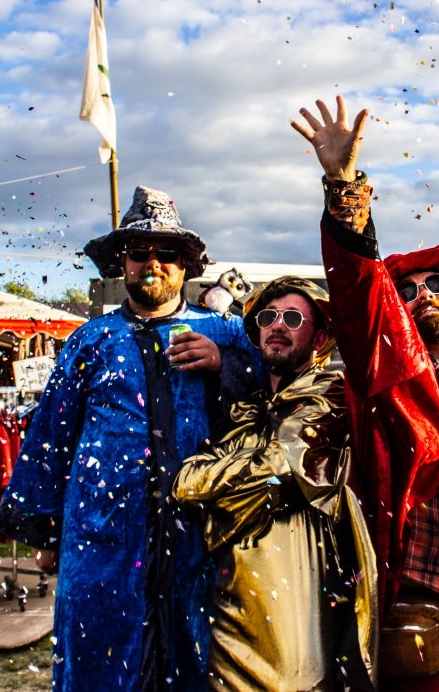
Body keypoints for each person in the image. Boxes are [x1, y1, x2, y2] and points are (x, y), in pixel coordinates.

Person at [0, 186, 264, 691]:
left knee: (196, 658)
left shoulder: (225, 330)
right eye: (140, 253)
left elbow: (270, 398)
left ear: (186, 264)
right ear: (122, 263)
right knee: (100, 657)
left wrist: (227, 364)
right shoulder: (90, 340)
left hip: (200, 537)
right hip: (103, 536)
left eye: (167, 253)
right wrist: (42, 531)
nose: (152, 263)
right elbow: (52, 433)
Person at [290, 97, 439, 690]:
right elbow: (362, 288)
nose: (425, 293)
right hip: (400, 609)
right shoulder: (392, 368)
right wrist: (343, 184)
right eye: (408, 288)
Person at [174, 276, 377, 690]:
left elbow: (285, 467)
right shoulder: (243, 409)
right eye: (268, 317)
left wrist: (221, 495)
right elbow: (185, 484)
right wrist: (243, 484)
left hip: (299, 608)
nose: (277, 325)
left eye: (292, 318)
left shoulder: (333, 397)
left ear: (320, 338)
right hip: (231, 606)